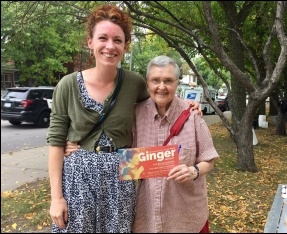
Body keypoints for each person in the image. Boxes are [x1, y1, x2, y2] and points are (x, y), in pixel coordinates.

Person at [47, 5, 200, 233]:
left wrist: (188, 103)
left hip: (121, 178)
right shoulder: (67, 85)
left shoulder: (134, 83)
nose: (110, 46)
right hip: (78, 179)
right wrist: (56, 198)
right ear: (90, 42)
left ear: (125, 46)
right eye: (103, 38)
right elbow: (56, 143)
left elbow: (160, 97)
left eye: (117, 40)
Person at [65, 55, 218, 233]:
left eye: (168, 81)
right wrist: (73, 144)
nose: (161, 87)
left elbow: (209, 160)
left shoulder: (192, 117)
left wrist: (194, 171)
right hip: (148, 216)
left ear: (177, 83)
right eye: (155, 80)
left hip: (186, 216)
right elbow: (110, 138)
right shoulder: (135, 115)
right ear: (147, 83)